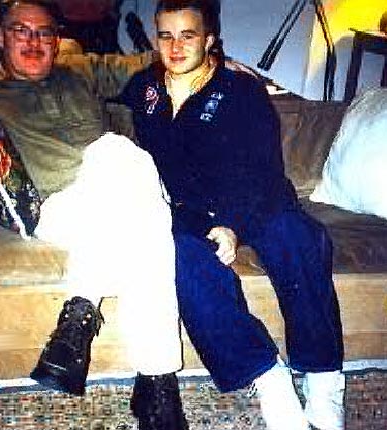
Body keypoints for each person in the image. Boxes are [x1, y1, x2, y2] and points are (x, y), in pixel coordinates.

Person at [0, 1, 188, 428]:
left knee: (127, 176)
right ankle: (156, 383)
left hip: (124, 201)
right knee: (122, 156)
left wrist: (215, 64)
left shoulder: (79, 72)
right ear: (0, 36)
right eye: (21, 30)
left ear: (57, 40)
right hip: (59, 208)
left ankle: (91, 331)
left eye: (44, 32)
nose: (34, 41)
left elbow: (149, 60)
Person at [120, 1, 345, 429]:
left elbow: (262, 169)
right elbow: (83, 73)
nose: (176, 46)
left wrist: (232, 225)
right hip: (186, 211)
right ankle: (268, 375)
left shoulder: (241, 90)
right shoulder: (143, 86)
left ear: (209, 41)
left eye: (188, 35)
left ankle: (323, 378)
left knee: (300, 237)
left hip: (255, 200)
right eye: (166, 35)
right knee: (179, 259)